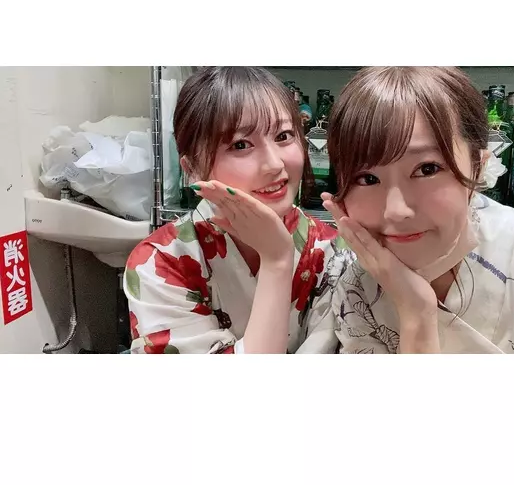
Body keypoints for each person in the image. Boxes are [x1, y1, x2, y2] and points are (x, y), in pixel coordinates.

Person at [321, 66, 514, 354]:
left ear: (477, 167)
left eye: (427, 169)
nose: (396, 211)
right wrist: (416, 313)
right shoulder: (356, 291)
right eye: (367, 178)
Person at [123, 67, 351, 354]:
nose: (274, 164)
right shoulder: (161, 261)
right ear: (192, 168)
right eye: (240, 145)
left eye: (283, 136)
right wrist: (277, 261)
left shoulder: (334, 252)